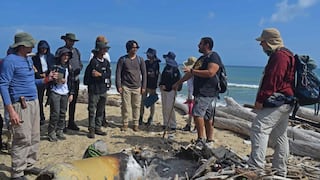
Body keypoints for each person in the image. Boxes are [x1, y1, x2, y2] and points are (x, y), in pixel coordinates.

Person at [0, 32, 56, 179]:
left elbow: (31, 83)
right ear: (23, 46)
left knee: (34, 136)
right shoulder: (9, 61)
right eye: (31, 44)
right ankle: (17, 172)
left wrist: (46, 80)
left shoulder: (29, 60)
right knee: (22, 137)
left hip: (34, 102)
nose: (33, 46)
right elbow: (3, 85)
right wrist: (11, 111)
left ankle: (29, 165)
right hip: (20, 104)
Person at [247, 28, 295, 177]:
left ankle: (256, 168)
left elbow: (272, 80)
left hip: (278, 101)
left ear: (268, 42)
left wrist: (260, 100)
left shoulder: (279, 56)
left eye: (262, 42)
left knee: (259, 129)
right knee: (280, 135)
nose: (261, 45)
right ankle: (280, 171)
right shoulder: (287, 54)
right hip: (287, 100)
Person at [173, 37, 223, 148]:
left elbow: (211, 72)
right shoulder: (201, 59)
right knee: (207, 117)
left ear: (207, 45)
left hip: (207, 91)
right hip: (201, 91)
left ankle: (201, 139)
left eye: (200, 44)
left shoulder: (213, 56)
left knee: (197, 114)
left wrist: (192, 70)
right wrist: (179, 82)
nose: (198, 45)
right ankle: (210, 140)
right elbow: (191, 74)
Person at [115, 40, 147, 132]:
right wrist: (119, 86)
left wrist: (144, 86)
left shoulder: (140, 60)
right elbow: (118, 73)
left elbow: (144, 74)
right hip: (126, 86)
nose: (135, 49)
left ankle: (135, 124)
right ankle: (125, 123)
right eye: (134, 47)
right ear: (129, 48)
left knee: (136, 106)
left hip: (137, 87)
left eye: (136, 47)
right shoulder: (123, 59)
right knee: (125, 106)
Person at [56, 33, 83, 131]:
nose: (71, 43)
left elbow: (80, 63)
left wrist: (79, 68)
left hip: (75, 79)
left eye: (73, 41)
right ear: (66, 40)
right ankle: (61, 123)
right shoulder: (60, 51)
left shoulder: (76, 51)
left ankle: (71, 121)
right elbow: (57, 64)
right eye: (70, 40)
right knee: (62, 103)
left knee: (73, 102)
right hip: (64, 80)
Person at [47, 48, 75, 142]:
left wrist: (71, 93)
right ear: (60, 56)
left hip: (65, 92)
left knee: (63, 113)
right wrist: (58, 79)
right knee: (55, 113)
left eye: (67, 55)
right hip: (55, 91)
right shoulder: (55, 66)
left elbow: (71, 81)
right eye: (64, 55)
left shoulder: (69, 67)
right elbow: (51, 78)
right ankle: (51, 132)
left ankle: (60, 130)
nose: (66, 57)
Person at [84, 42, 111, 138]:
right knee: (92, 110)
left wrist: (100, 75)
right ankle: (91, 129)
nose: (105, 51)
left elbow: (108, 74)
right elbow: (89, 76)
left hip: (103, 90)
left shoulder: (106, 62)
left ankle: (98, 127)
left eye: (106, 49)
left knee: (100, 110)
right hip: (94, 90)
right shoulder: (93, 62)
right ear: (99, 50)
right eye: (104, 49)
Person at [32, 40, 55, 125]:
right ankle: (41, 117)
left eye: (45, 48)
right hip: (39, 79)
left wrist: (48, 74)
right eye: (42, 48)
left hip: (50, 79)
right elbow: (33, 68)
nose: (43, 49)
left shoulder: (51, 56)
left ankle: (52, 119)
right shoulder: (35, 57)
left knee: (51, 99)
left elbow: (53, 67)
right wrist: (39, 75)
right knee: (39, 99)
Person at [159, 51, 181, 131]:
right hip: (163, 90)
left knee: (169, 107)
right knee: (164, 107)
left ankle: (173, 124)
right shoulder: (166, 67)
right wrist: (161, 85)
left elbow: (176, 81)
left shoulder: (175, 70)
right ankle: (165, 123)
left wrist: (167, 86)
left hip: (171, 91)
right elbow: (162, 78)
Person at [139, 48, 161, 126]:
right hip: (145, 84)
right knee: (142, 102)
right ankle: (141, 117)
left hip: (153, 86)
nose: (147, 55)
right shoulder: (146, 63)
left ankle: (150, 118)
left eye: (148, 54)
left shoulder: (156, 64)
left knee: (152, 103)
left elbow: (157, 75)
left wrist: (157, 86)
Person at [181, 56, 197, 131]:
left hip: (194, 93)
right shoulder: (191, 72)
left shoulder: (195, 73)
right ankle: (189, 124)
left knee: (193, 111)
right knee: (190, 110)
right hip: (190, 92)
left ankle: (195, 126)